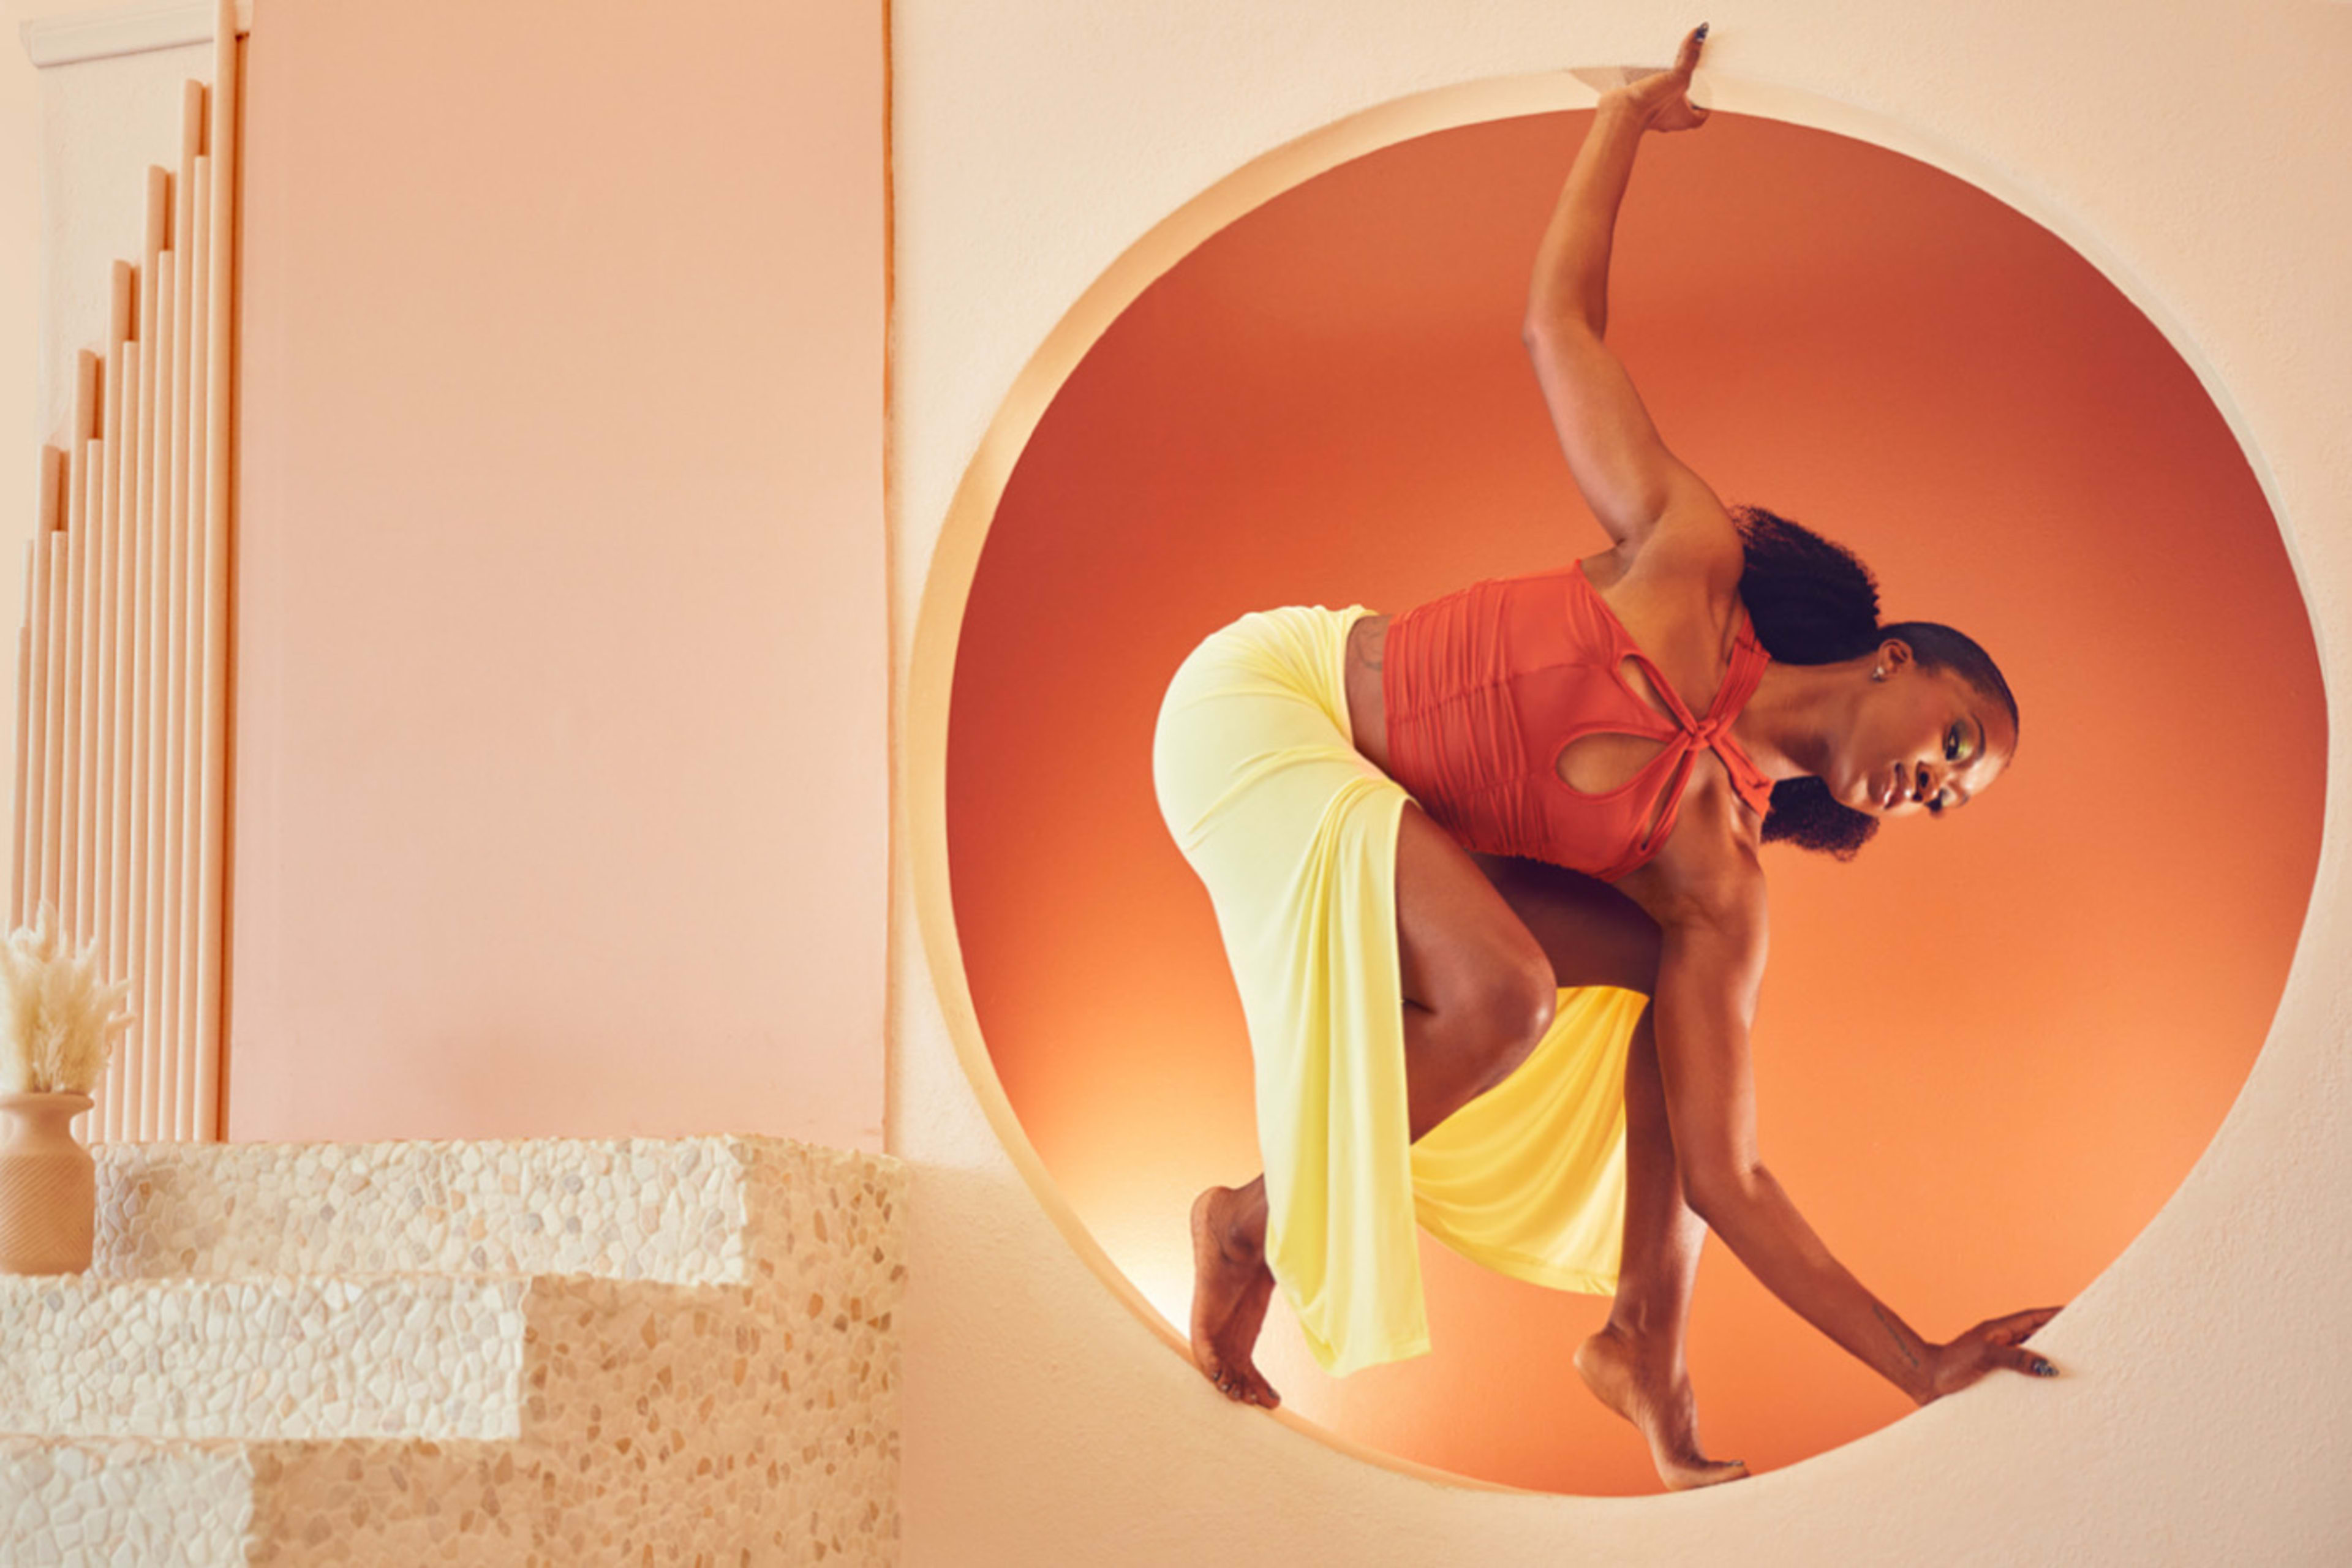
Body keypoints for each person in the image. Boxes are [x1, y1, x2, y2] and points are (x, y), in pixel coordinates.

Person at [1152, 25, 2060, 1491]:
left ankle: (1646, 1342)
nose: (1939, 785)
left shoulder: (1722, 881)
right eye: (1958, 740)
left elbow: (1731, 1173)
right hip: (1272, 702)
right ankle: (1248, 1219)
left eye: (1957, 796)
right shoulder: (1691, 555)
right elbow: (1557, 329)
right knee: (1507, 992)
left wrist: (1922, 1360)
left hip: (1386, 820)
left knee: (1651, 987)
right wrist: (1625, 123)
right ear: (1900, 658)